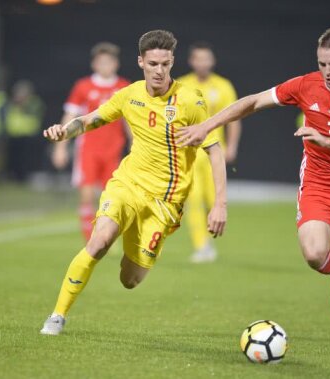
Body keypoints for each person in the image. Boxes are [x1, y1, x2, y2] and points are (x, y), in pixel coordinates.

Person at [177, 27, 330, 356]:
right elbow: (253, 102)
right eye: (322, 63)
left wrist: (324, 140)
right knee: (314, 254)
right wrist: (207, 125)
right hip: (318, 187)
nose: (327, 72)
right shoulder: (305, 84)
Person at [40, 30, 227, 336]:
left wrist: (220, 203)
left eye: (165, 64)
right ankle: (57, 315)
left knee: (130, 279)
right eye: (152, 63)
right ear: (141, 62)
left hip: (165, 204)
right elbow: (89, 120)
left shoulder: (191, 101)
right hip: (127, 185)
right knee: (98, 242)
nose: (159, 70)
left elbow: (214, 150)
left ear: (172, 62)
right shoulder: (130, 94)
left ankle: (132, 238)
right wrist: (65, 132)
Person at [52, 42, 130, 241]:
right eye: (101, 62)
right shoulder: (83, 86)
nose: (105, 66)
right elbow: (69, 117)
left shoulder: (124, 87)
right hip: (88, 149)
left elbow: (130, 120)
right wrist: (60, 148)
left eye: (109, 62)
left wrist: (135, 144)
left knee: (110, 198)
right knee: (87, 195)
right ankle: (90, 240)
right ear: (94, 64)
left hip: (113, 150)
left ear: (116, 64)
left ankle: (106, 236)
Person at [178, 41, 242, 263]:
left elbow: (234, 119)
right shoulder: (182, 85)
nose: (202, 63)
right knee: (192, 199)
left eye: (206, 58)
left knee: (212, 200)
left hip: (215, 152)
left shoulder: (223, 86)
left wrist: (232, 146)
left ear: (212, 61)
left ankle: (208, 240)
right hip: (190, 153)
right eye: (198, 58)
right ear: (191, 61)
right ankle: (201, 246)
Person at [5, 80, 45, 182]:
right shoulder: (12, 103)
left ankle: (24, 176)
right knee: (14, 157)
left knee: (25, 158)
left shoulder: (34, 102)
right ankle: (14, 175)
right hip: (14, 134)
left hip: (28, 133)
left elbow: (34, 115)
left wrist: (23, 105)